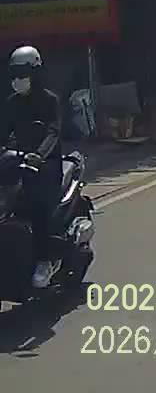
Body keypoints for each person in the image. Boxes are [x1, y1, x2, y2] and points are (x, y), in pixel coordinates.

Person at [1, 45, 64, 288]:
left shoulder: (50, 101)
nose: (17, 80)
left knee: (35, 206)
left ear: (35, 73)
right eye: (14, 74)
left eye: (22, 74)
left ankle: (44, 260)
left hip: (46, 165)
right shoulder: (11, 103)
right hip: (18, 162)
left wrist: (39, 155)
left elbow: (53, 132)